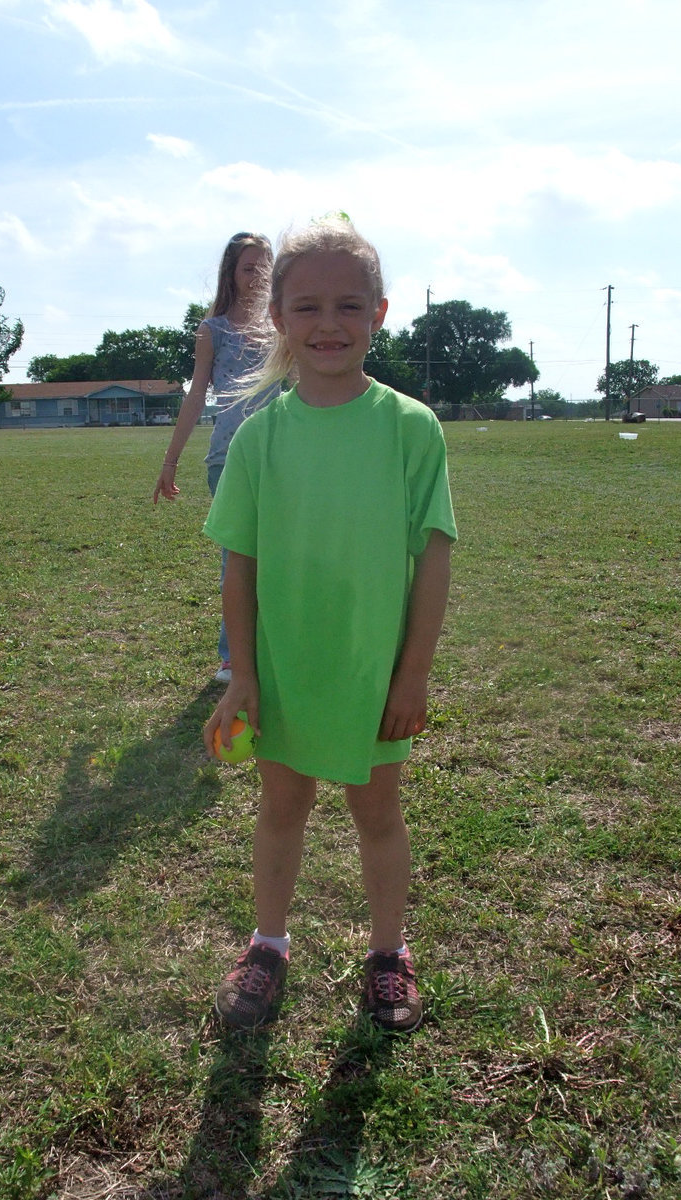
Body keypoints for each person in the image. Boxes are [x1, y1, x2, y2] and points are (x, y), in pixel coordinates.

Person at [202, 218, 458, 1033]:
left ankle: (389, 954)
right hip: (283, 668)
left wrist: (412, 672)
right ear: (276, 317)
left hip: (373, 670)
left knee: (377, 810)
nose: (328, 323)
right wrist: (243, 673)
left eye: (349, 305)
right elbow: (238, 566)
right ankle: (267, 944)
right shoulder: (259, 437)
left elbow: (435, 557)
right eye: (306, 305)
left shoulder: (411, 428)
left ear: (380, 313)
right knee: (282, 806)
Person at [153, 232, 276, 684]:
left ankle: (273, 648)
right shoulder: (214, 330)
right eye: (249, 267)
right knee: (239, 558)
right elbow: (194, 397)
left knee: (281, 557)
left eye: (266, 266)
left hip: (280, 457)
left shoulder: (284, 325)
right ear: (231, 273)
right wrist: (170, 462)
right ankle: (232, 657)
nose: (259, 275)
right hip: (228, 458)